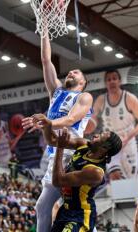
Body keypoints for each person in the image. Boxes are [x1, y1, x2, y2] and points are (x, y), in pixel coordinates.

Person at [21, 28, 93, 232]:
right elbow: (46, 60)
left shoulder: (84, 97)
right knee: (43, 206)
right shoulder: (56, 92)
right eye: (70, 71)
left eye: (76, 72)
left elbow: (71, 119)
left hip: (73, 153)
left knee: (75, 208)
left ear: (83, 82)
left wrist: (46, 122)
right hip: (55, 154)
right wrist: (44, 29)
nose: (71, 71)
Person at [31, 114, 122, 231]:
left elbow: (58, 181)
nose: (96, 135)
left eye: (100, 137)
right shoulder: (84, 144)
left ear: (104, 148)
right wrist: (47, 126)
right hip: (66, 209)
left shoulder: (95, 172)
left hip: (81, 215)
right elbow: (53, 140)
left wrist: (60, 147)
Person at [87, 70, 138, 179]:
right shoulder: (101, 100)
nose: (112, 81)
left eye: (114, 78)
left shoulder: (129, 98)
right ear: (106, 83)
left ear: (120, 81)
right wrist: (87, 126)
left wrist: (128, 137)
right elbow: (93, 119)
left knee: (131, 180)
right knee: (114, 175)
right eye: (109, 79)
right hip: (110, 142)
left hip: (127, 141)